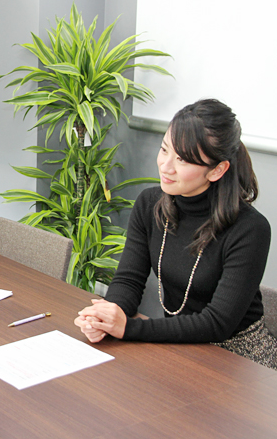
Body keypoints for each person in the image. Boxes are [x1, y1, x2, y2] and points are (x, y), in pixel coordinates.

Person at [74, 99, 277, 369]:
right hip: (178, 345)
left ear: (217, 170)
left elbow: (218, 323)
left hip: (239, 356)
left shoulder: (250, 228)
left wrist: (128, 328)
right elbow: (128, 280)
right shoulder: (149, 204)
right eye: (164, 150)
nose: (166, 166)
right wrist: (107, 317)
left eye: (182, 159)